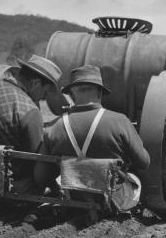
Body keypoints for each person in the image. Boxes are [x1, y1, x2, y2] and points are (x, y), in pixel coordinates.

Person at [34, 65, 150, 213]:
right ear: (100, 93)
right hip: (115, 199)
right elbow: (144, 162)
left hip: (73, 199)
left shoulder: (52, 128)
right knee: (135, 179)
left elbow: (41, 177)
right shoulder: (120, 121)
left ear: (71, 95)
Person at [0, 54, 62, 193]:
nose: (44, 99)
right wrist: (54, 186)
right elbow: (37, 165)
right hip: (7, 189)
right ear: (35, 83)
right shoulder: (29, 110)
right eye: (45, 93)